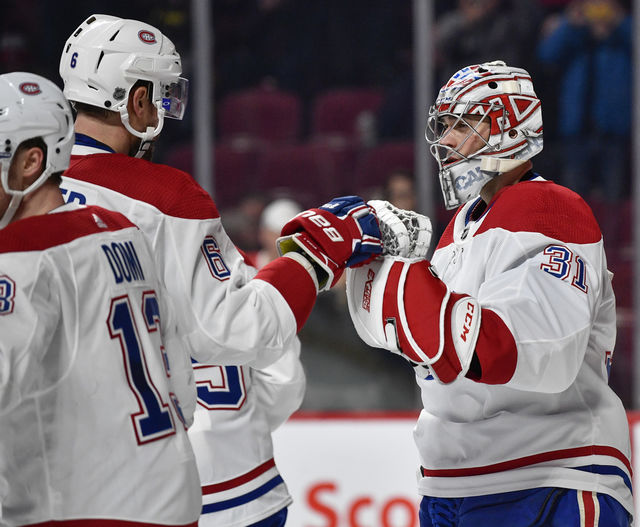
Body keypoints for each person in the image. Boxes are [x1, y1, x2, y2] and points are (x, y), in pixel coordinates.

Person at [57, 13, 381, 526]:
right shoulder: (165, 197)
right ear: (136, 100)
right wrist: (315, 256)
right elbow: (237, 331)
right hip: (179, 481)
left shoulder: (19, 196)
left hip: (56, 481)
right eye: (160, 95)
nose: (165, 108)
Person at [345, 61, 632, 525]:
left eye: (463, 124)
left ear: (511, 123)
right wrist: (374, 270)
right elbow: (422, 348)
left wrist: (406, 282)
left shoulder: (548, 207)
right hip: (451, 480)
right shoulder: (458, 229)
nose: (447, 141)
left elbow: (532, 352)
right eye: (444, 126)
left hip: (549, 474)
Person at [0, 72, 201, 525]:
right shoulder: (121, 229)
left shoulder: (20, 256)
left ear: (30, 162)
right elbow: (181, 391)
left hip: (85, 508)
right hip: (169, 491)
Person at [190, 198, 304, 526]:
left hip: (169, 488)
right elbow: (285, 382)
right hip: (251, 480)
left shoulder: (130, 283)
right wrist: (244, 422)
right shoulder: (248, 276)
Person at [537, 0, 631, 202]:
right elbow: (547, 54)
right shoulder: (573, 30)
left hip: (614, 128)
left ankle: (611, 235)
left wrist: (618, 22)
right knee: (573, 199)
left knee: (612, 200)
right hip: (576, 128)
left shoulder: (624, 29)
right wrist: (570, 24)